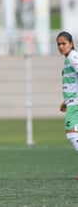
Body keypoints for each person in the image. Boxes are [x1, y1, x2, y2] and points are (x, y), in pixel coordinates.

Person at [57, 31, 78, 179]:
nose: (61, 46)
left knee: (71, 133)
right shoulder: (68, 60)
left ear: (71, 44)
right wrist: (66, 101)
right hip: (72, 102)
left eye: (64, 43)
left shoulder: (73, 57)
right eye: (58, 44)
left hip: (76, 103)